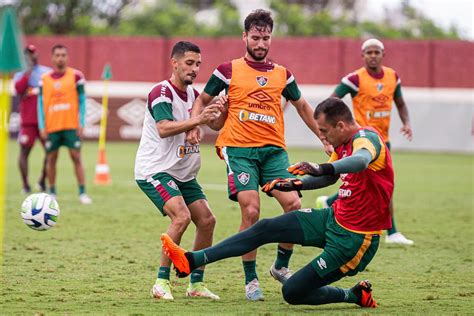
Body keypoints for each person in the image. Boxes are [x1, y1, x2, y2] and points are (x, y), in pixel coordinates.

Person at [162, 97, 392, 308]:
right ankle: (191, 260)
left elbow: (360, 161)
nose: (322, 136)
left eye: (324, 131)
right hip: (333, 218)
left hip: (355, 239)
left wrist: (321, 167)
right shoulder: (343, 144)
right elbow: (330, 176)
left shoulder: (366, 139)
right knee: (265, 227)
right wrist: (293, 184)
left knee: (292, 292)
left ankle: (353, 295)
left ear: (341, 126)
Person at [185, 9, 327, 301]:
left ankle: (280, 266)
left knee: (294, 204)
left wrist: (323, 137)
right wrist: (193, 126)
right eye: (255, 37)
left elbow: (302, 107)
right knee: (251, 210)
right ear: (244, 37)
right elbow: (202, 99)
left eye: (266, 38)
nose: (261, 43)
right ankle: (251, 281)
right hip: (239, 149)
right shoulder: (228, 70)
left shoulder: (283, 75)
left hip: (274, 151)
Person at [134, 41, 222, 300]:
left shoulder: (195, 96)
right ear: (174, 63)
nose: (195, 69)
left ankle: (196, 284)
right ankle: (161, 282)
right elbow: (163, 128)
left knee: (207, 221)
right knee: (181, 217)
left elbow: (213, 124)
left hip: (183, 173)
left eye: (198, 65)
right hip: (156, 170)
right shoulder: (161, 92)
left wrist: (222, 110)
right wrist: (197, 121)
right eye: (189, 63)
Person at [318, 38, 413, 245]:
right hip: (360, 141)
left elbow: (401, 103)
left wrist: (406, 123)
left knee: (378, 185)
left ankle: (328, 202)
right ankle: (392, 232)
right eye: (368, 52)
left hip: (382, 141)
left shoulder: (392, 77)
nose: (372, 55)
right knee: (364, 184)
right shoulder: (354, 79)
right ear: (362, 56)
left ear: (383, 54)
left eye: (376, 52)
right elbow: (332, 103)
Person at [38, 44, 92, 204]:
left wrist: (81, 122)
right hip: (52, 126)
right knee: (51, 158)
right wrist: (42, 125)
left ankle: (82, 193)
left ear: (67, 57)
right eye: (57, 55)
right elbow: (40, 103)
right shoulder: (44, 79)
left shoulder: (76, 76)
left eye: (63, 55)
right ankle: (52, 191)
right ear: (52, 57)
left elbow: (82, 100)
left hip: (71, 125)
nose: (60, 58)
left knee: (76, 157)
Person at [13, 44, 51, 194]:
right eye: (27, 54)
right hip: (28, 122)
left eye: (32, 53)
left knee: (50, 151)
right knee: (24, 151)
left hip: (45, 121)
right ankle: (25, 185)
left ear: (37, 54)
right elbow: (18, 89)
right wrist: (27, 71)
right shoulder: (20, 74)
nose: (30, 57)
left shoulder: (46, 72)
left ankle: (42, 181)